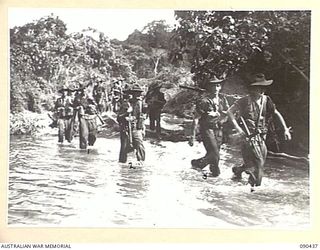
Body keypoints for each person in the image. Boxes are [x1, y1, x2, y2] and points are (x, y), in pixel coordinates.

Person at [227, 73, 291, 188]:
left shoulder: (267, 101)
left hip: (262, 137)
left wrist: (285, 129)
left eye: (263, 87)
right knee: (259, 164)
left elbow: (276, 113)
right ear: (252, 89)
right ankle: (254, 188)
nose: (261, 90)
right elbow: (229, 112)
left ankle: (238, 170)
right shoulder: (244, 101)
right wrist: (238, 128)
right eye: (258, 88)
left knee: (258, 161)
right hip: (248, 137)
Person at [188, 76, 230, 177]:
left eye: (218, 86)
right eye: (213, 86)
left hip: (218, 129)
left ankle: (200, 165)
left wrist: (222, 115)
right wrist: (192, 136)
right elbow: (196, 118)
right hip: (207, 129)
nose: (216, 88)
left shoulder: (222, 100)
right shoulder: (204, 101)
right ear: (209, 88)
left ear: (220, 87)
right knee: (215, 153)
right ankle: (213, 172)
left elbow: (228, 113)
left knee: (214, 154)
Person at [117, 84, 146, 164]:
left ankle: (141, 162)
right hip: (126, 128)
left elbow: (144, 115)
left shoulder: (141, 104)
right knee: (124, 147)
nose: (138, 95)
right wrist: (127, 113)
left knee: (139, 144)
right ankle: (123, 165)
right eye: (136, 93)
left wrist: (142, 125)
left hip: (137, 128)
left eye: (139, 93)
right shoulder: (126, 104)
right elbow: (119, 118)